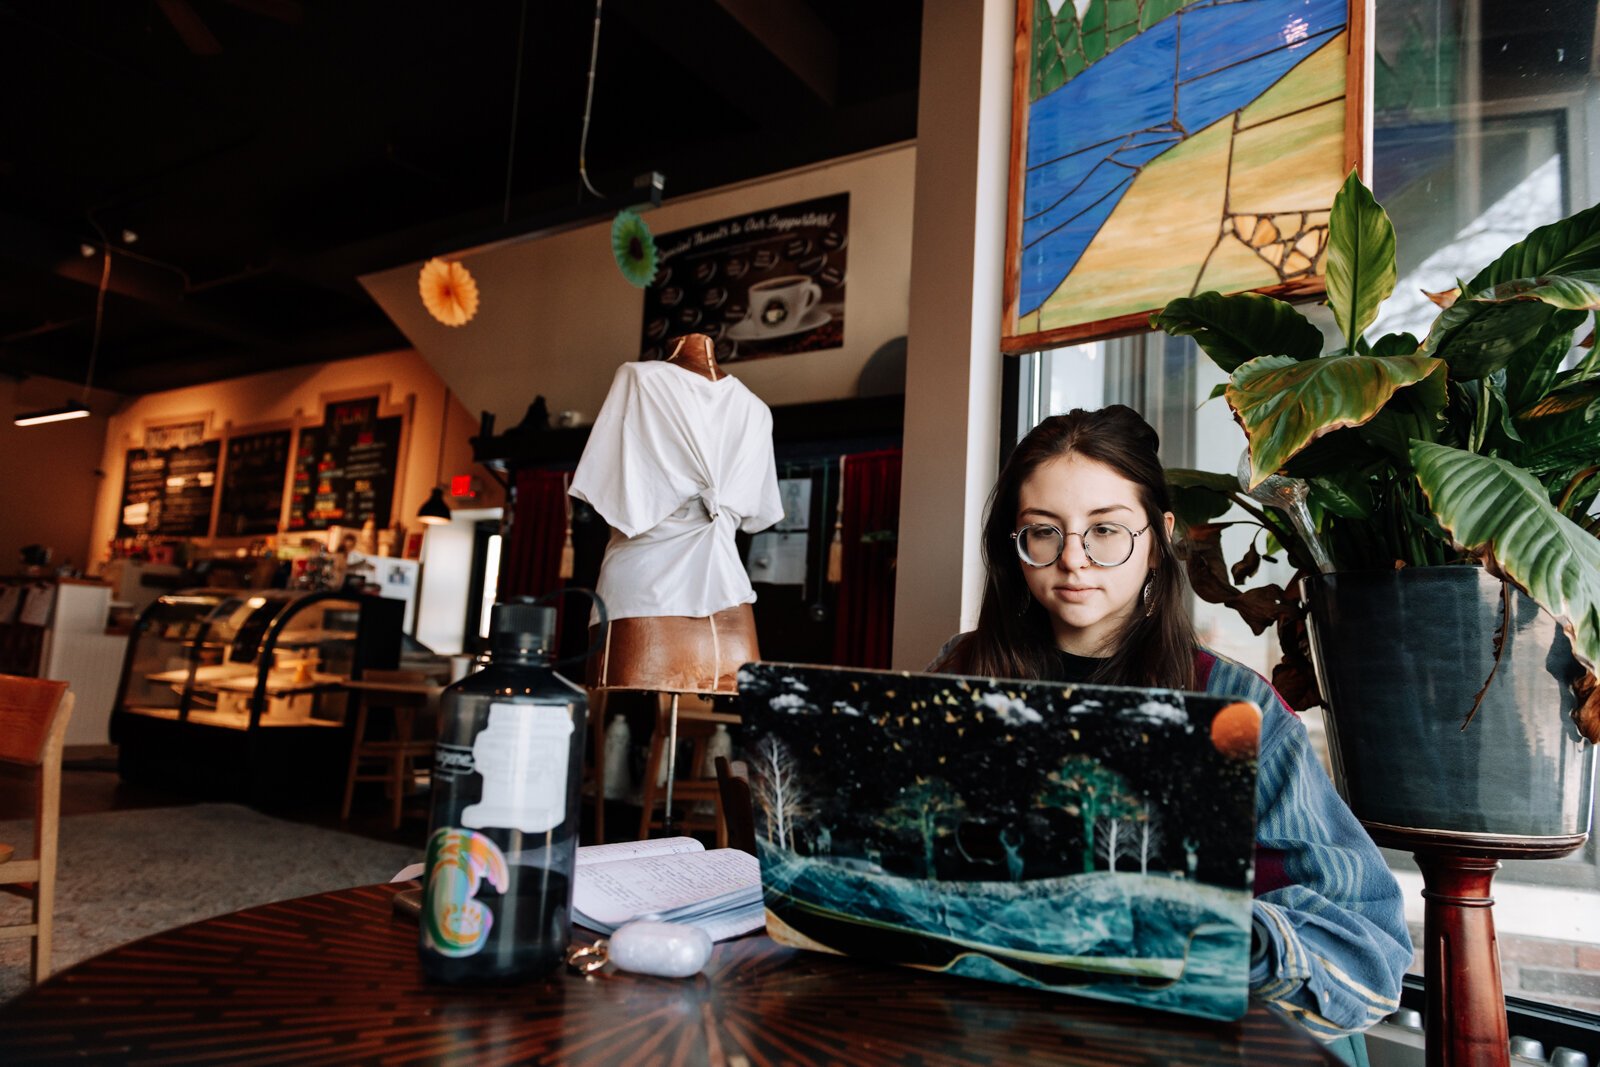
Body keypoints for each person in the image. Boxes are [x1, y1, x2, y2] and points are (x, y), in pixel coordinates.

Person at [931, 406, 1411, 1054]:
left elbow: (1368, 946)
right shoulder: (959, 670)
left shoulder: (1234, 703)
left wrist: (1217, 933)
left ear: (1156, 538)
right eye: (1043, 532)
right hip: (987, 1022)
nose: (1074, 560)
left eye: (1106, 530)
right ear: (1012, 543)